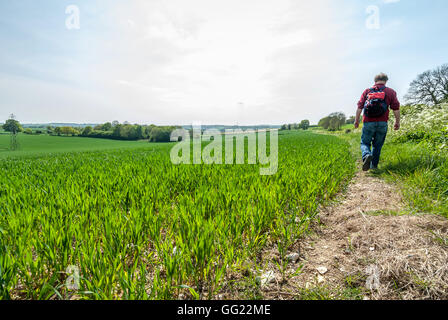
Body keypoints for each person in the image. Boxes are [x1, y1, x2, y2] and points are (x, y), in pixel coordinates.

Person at [354, 73, 400, 171]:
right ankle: (373, 167)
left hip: (368, 122)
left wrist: (356, 121)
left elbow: (360, 107)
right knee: (377, 145)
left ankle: (366, 155)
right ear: (386, 81)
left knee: (365, 143)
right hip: (382, 123)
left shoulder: (367, 91)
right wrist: (397, 122)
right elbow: (396, 108)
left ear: (375, 81)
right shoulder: (391, 92)